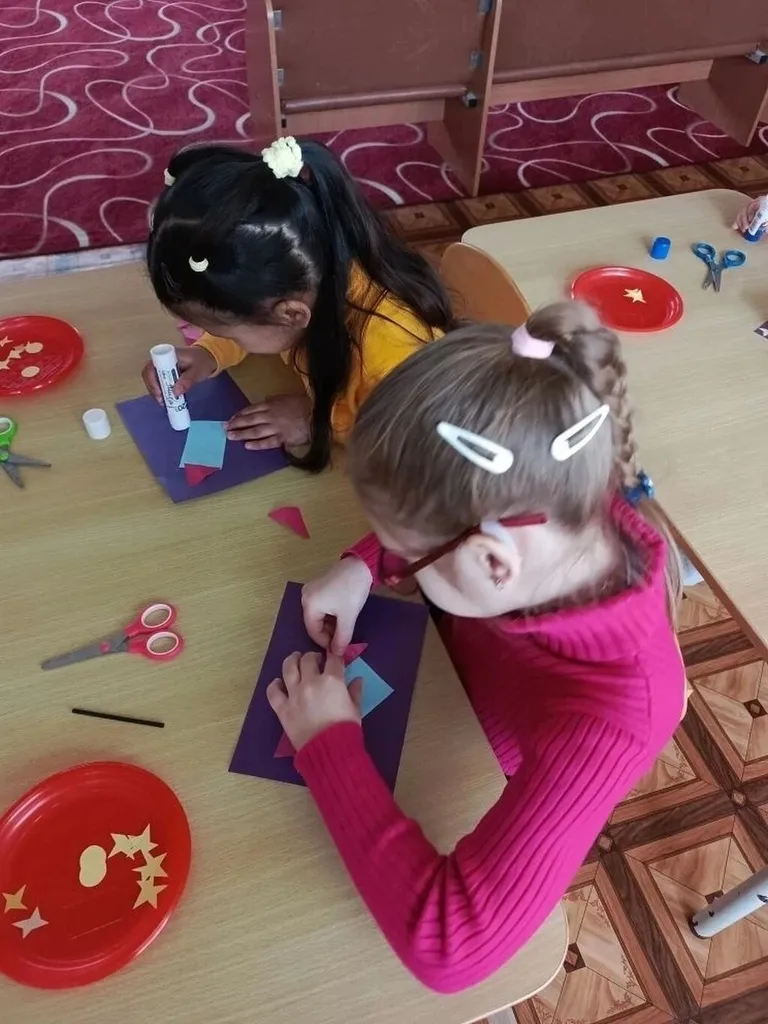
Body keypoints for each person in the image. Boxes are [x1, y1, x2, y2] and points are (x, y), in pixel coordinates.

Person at [266, 302, 687, 992]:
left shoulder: (615, 720)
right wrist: (367, 565)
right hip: (451, 691)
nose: (400, 560)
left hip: (476, 770)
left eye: (408, 551)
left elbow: (451, 949)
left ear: (494, 564)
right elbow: (452, 525)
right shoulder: (558, 494)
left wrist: (328, 743)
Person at [144, 137, 455, 471]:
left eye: (230, 335)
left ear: (291, 314)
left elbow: (410, 447)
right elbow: (246, 312)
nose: (223, 338)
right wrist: (210, 352)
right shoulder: (301, 269)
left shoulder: (390, 359)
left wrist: (319, 419)